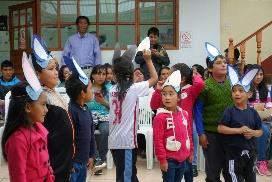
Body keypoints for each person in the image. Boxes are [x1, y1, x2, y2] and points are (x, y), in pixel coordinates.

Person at [1, 52, 54, 182]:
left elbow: (47, 166)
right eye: (42, 105)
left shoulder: (39, 129)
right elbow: (19, 177)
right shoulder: (17, 140)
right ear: (28, 107)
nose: (46, 110)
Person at [109, 48, 158, 182]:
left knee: (127, 174)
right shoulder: (134, 89)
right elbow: (154, 78)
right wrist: (148, 59)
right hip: (126, 142)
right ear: (130, 73)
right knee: (126, 177)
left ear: (114, 75)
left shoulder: (112, 90)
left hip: (114, 140)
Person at [151, 63, 204, 182]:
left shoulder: (189, 91)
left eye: (171, 74)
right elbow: (154, 105)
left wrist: (193, 73)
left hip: (185, 142)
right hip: (170, 155)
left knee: (187, 174)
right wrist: (158, 91)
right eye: (165, 95)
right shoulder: (164, 98)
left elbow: (200, 83)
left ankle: (192, 166)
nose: (168, 97)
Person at [31, 35, 74, 181]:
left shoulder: (54, 92)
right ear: (38, 74)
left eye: (56, 68)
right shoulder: (42, 99)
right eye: (51, 69)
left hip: (65, 158)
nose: (56, 72)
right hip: (54, 160)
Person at [218, 65, 262, 182]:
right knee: (234, 178)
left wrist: (252, 132)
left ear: (249, 94)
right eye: (234, 91)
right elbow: (221, 128)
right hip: (233, 154)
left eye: (241, 91)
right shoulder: (229, 111)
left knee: (251, 178)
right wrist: (239, 130)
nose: (236, 93)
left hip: (251, 154)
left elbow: (260, 131)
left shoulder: (253, 113)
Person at [198, 43, 233, 182]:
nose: (223, 64)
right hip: (211, 134)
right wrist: (201, 133)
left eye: (225, 62)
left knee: (231, 170)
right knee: (213, 171)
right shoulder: (205, 86)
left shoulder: (233, 84)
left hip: (231, 133)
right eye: (219, 63)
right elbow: (198, 111)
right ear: (211, 68)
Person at [153, 71, 192, 182]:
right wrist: (162, 160)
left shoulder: (184, 114)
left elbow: (188, 134)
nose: (167, 97)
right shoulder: (160, 117)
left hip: (183, 159)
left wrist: (191, 151)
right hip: (169, 160)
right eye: (164, 94)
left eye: (171, 94)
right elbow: (158, 141)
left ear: (178, 97)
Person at [64, 58, 95, 181]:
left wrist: (91, 155)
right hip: (74, 163)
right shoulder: (71, 111)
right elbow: (67, 140)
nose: (92, 92)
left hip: (84, 160)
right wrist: (69, 162)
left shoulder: (86, 110)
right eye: (90, 89)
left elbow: (91, 135)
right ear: (82, 93)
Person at [248, 64, 272, 176]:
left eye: (261, 74)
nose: (259, 77)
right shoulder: (245, 88)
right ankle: (260, 161)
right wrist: (255, 107)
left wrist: (267, 109)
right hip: (250, 119)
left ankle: (266, 159)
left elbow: (269, 105)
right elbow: (242, 105)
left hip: (265, 118)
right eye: (256, 74)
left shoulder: (265, 89)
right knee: (265, 131)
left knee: (266, 128)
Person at [87, 65, 110, 175]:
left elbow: (113, 107)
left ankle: (100, 159)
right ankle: (98, 160)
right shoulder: (87, 88)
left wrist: (103, 102)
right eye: (98, 73)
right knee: (88, 130)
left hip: (105, 116)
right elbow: (82, 104)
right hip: (89, 116)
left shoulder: (110, 88)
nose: (101, 76)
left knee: (105, 131)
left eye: (103, 74)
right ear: (92, 75)